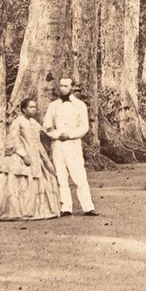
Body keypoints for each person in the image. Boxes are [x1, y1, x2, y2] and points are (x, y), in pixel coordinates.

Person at [0, 96, 63, 222]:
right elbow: (12, 140)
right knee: (18, 180)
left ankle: (34, 210)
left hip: (35, 155)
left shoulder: (34, 123)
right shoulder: (18, 122)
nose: (34, 109)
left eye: (35, 107)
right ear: (24, 109)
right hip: (21, 155)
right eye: (31, 107)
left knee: (44, 178)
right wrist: (23, 155)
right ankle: (15, 210)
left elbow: (41, 138)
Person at [42, 75, 98, 218]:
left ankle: (88, 206)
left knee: (79, 175)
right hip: (58, 144)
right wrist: (56, 135)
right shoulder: (53, 106)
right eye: (61, 86)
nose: (63, 88)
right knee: (61, 176)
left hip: (73, 144)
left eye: (66, 86)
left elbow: (84, 126)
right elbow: (46, 126)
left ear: (72, 88)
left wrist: (71, 135)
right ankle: (65, 207)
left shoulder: (80, 105)